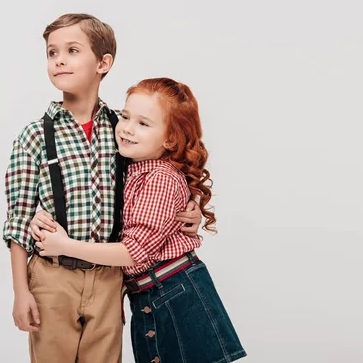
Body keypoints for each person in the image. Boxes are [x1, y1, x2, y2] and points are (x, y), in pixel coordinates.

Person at [2, 14, 202, 363]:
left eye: (72, 50)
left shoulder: (122, 128)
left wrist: (190, 206)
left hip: (110, 279)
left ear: (103, 62)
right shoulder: (34, 136)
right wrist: (21, 291)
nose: (59, 59)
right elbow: (17, 220)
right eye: (52, 52)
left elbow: (161, 175)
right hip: (52, 276)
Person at [34, 77, 247, 363]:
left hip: (174, 294)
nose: (127, 129)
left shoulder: (159, 178)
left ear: (170, 138)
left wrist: (65, 245)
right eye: (125, 116)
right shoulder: (134, 165)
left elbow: (133, 252)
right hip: (150, 295)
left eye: (143, 124)